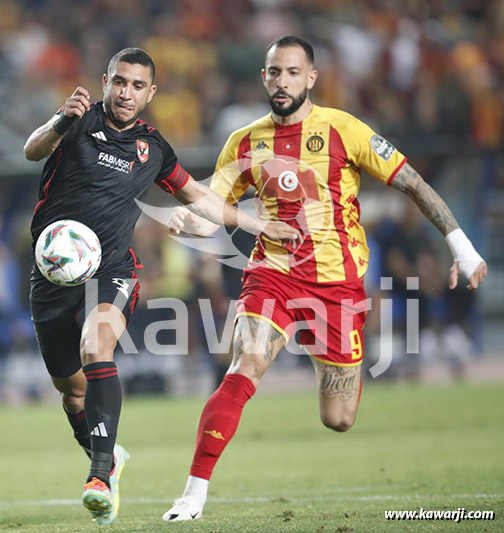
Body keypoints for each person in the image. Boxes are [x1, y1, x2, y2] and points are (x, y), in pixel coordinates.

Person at [162, 35, 487, 521]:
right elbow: (213, 210)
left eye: (293, 72)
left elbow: (413, 183)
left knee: (338, 419)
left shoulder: (343, 129)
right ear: (264, 77)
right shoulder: (245, 141)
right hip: (272, 275)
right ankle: (193, 494)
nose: (282, 81)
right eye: (274, 72)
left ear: (311, 78)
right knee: (244, 365)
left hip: (337, 287)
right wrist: (191, 220)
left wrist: (461, 246)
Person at [23, 47, 298, 525]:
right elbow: (32, 149)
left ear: (150, 94)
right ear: (106, 81)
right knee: (71, 393)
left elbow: (199, 197)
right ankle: (109, 452)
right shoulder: (78, 122)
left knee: (96, 347)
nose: (126, 93)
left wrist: (255, 224)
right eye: (119, 82)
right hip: (52, 274)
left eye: (136, 86)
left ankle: (100, 475)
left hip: (111, 270)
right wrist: (59, 122)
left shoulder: (153, 149)